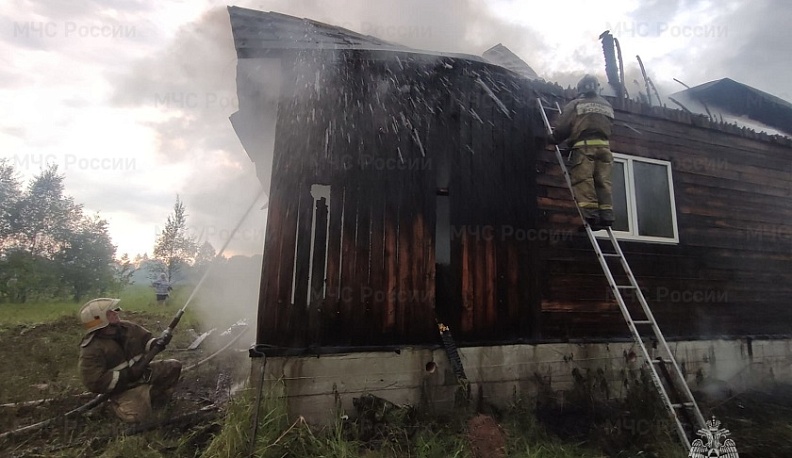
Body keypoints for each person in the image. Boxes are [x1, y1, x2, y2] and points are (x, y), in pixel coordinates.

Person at [78, 298, 181, 423]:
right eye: (110, 313)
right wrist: (128, 375)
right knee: (139, 417)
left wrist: (158, 343)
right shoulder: (91, 348)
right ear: (100, 320)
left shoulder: (127, 328)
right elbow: (94, 381)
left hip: (143, 374)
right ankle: (113, 406)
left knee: (174, 366)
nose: (116, 313)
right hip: (122, 388)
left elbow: (146, 340)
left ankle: (152, 396)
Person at [551, 74, 615, 230]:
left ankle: (592, 217)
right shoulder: (607, 105)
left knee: (584, 180)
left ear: (580, 89)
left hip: (585, 149)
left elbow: (563, 128)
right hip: (605, 149)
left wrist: (552, 138)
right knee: (602, 182)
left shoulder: (576, 104)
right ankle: (607, 216)